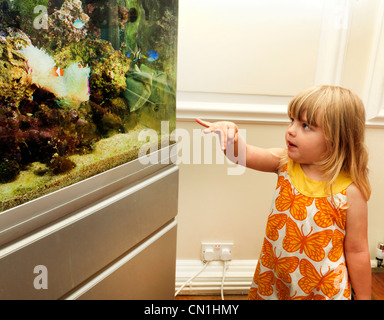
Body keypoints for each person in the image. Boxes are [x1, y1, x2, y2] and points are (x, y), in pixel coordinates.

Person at [196, 85, 371, 300]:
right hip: (276, 278)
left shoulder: (350, 191)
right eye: (292, 121)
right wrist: (231, 136)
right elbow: (242, 155)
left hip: (322, 289)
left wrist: (363, 297)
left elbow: (357, 251)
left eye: (306, 126)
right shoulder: (284, 163)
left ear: (337, 138)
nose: (291, 130)